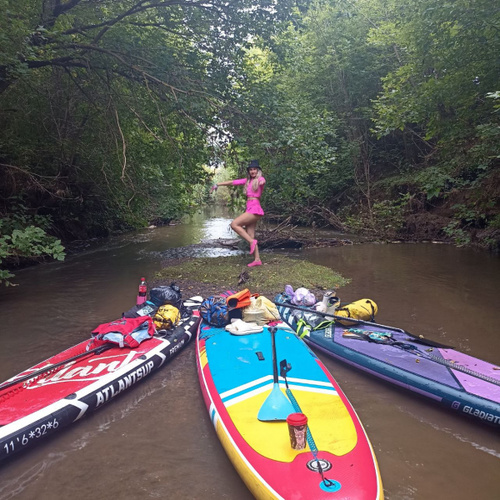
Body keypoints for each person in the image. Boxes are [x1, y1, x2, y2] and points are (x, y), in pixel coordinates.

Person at [211, 159, 265, 267]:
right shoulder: (247, 181)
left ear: (258, 170)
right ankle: (257, 259)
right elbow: (232, 182)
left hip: (255, 208)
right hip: (250, 208)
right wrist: (217, 184)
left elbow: (262, 181)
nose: (252, 171)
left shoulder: (260, 179)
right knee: (250, 235)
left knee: (234, 224)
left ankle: (252, 242)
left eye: (254, 169)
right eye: (251, 170)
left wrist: (261, 182)